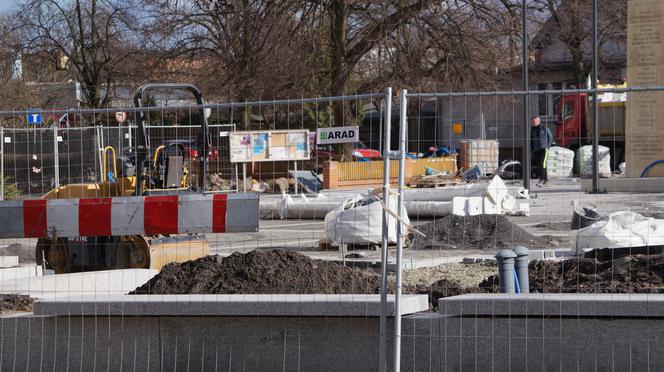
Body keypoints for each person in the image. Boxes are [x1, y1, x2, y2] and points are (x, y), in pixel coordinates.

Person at [530, 115, 553, 187]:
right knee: (541, 165)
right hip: (536, 150)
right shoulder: (533, 129)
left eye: (533, 122)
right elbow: (531, 140)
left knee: (543, 164)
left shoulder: (544, 128)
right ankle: (546, 181)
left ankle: (541, 180)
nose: (532, 123)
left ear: (538, 121)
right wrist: (532, 149)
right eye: (532, 122)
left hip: (544, 149)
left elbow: (550, 137)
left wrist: (547, 147)